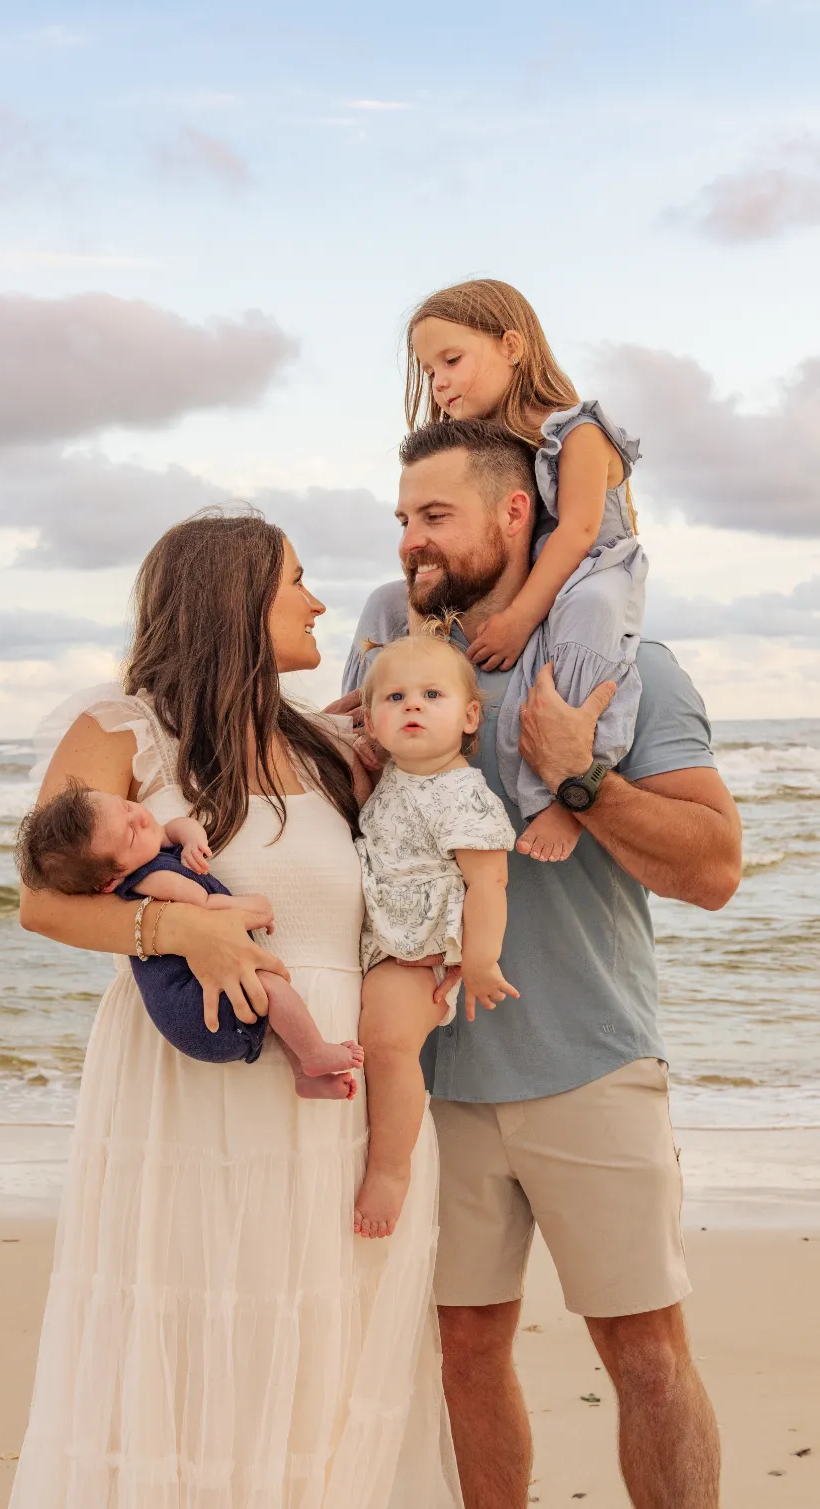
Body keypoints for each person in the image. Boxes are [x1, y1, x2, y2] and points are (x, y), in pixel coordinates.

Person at [10, 512, 463, 1509]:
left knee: (324, 1365)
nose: (317, 602)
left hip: (338, 1102)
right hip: (198, 1101)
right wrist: (181, 935)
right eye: (295, 581)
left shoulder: (324, 747)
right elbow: (42, 898)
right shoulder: (122, 727)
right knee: (206, 1342)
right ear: (235, 600)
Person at [338, 419, 742, 1509]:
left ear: (515, 514)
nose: (410, 544)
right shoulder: (386, 673)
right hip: (430, 1087)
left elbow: (713, 871)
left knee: (646, 1358)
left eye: (434, 518)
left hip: (591, 1065)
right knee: (462, 1354)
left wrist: (579, 783)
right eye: (402, 523)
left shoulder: (625, 667)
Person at [406, 278, 647, 863]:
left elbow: (579, 533)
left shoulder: (579, 432)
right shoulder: (503, 446)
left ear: (513, 346)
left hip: (596, 571)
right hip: (550, 576)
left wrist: (517, 618)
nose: (439, 382)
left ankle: (569, 795)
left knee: (588, 616)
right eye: (429, 370)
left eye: (452, 360)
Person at [15, 781, 364, 1098]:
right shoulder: (152, 879)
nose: (139, 819)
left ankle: (306, 1077)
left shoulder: (147, 847)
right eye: (130, 834)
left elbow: (172, 828)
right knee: (271, 989)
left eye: (126, 806)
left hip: (192, 1003)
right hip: (195, 1015)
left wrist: (192, 837)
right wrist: (253, 908)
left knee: (269, 1002)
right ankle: (315, 1053)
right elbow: (204, 905)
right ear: (109, 881)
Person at [352, 628, 517, 1238]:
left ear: (470, 716)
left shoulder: (461, 793)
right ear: (370, 721)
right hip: (383, 941)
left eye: (431, 695)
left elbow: (489, 883)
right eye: (394, 699)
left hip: (417, 951)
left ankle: (391, 1171)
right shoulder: (396, 779)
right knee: (371, 1047)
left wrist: (480, 961)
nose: (412, 706)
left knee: (389, 1047)